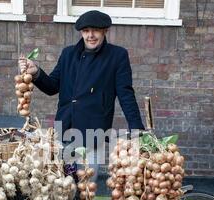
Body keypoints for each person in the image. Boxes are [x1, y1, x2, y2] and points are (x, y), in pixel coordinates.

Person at [19, 10, 146, 172]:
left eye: (95, 30)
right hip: (64, 129)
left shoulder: (117, 56)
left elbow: (126, 94)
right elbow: (51, 87)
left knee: (86, 189)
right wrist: (35, 71)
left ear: (104, 31)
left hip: (93, 132)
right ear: (81, 32)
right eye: (86, 31)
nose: (90, 35)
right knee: (62, 186)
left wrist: (136, 128)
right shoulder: (68, 54)